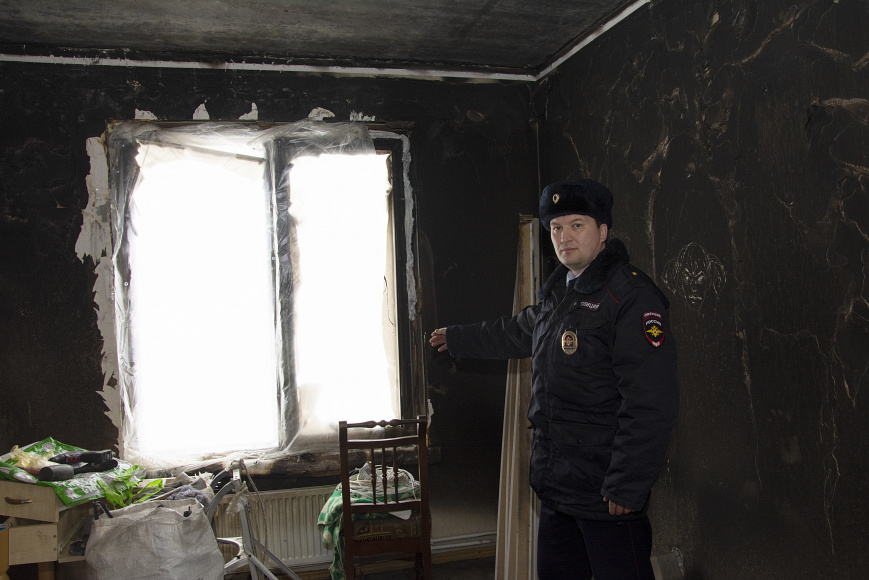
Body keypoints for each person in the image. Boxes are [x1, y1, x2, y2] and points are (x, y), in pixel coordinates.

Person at [430, 179, 678, 580]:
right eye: (556, 228)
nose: (564, 237)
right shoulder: (560, 293)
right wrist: (457, 338)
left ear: (603, 231)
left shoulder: (631, 297)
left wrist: (626, 485)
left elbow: (651, 401)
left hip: (606, 493)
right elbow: (517, 331)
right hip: (558, 487)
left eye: (577, 225)